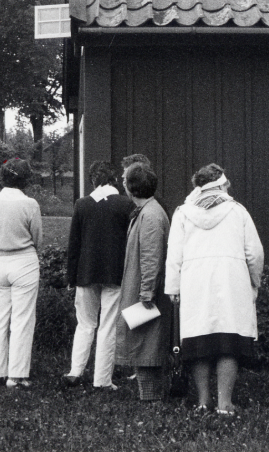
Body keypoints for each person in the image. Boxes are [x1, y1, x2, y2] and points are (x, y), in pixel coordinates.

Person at [166, 164, 264, 415]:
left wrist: (173, 288)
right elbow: (254, 252)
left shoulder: (183, 213)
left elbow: (174, 255)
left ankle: (203, 401)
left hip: (194, 282)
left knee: (198, 338)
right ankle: (225, 403)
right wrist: (255, 281)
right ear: (221, 184)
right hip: (231, 281)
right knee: (228, 340)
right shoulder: (237, 211)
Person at [62, 161, 134, 390]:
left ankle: (75, 371)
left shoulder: (82, 205)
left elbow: (74, 243)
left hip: (86, 272)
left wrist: (70, 277)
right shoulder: (125, 205)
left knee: (84, 324)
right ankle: (102, 380)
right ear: (114, 180)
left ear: (92, 180)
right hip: (114, 272)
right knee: (107, 326)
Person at [0, 158, 43, 388]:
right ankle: (16, 374)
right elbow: (37, 237)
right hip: (24, 260)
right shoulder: (30, 204)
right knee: (22, 320)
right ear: (26, 179)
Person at [115, 161, 172, 401]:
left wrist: (146, 292)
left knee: (146, 341)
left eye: (125, 179)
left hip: (147, 293)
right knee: (144, 341)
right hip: (142, 288)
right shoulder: (148, 210)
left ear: (132, 187)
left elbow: (151, 256)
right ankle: (150, 394)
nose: (122, 182)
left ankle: (150, 397)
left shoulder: (150, 214)